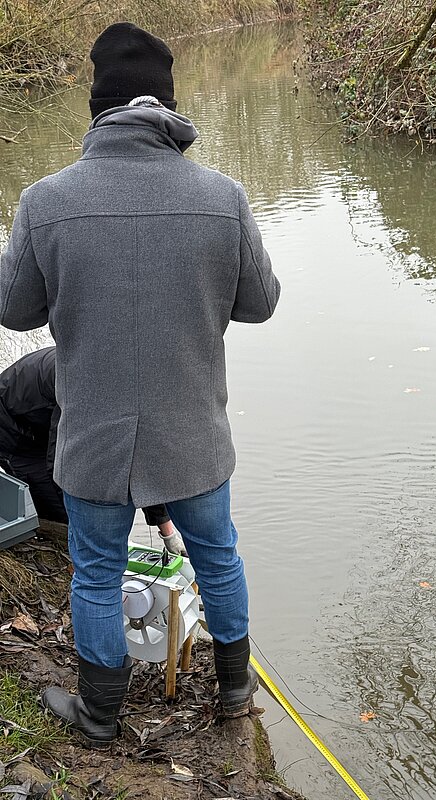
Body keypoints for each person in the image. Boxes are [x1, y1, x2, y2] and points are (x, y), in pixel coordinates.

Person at [0, 22, 280, 747]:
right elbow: (260, 302)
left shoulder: (44, 200)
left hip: (91, 435)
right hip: (193, 438)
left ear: (97, 106)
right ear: (169, 105)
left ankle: (98, 714)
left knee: (94, 569)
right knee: (218, 555)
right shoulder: (224, 197)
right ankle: (231, 692)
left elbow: (15, 307)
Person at [0, 346, 187, 554]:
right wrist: (86, 515)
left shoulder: (133, 392)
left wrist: (168, 534)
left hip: (42, 418)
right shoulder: (84, 385)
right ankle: (62, 560)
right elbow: (59, 464)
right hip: (11, 427)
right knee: (59, 507)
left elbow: (141, 463)